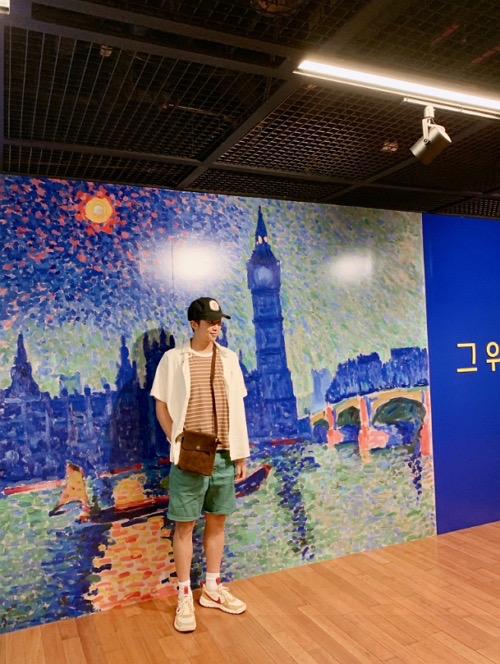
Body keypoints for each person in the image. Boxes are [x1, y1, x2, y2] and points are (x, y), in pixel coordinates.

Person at [151, 296, 250, 632]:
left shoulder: (229, 359)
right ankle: (183, 594)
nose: (215, 327)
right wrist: (176, 441)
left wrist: (240, 452)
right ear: (194, 324)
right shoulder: (173, 359)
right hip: (191, 453)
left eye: (218, 322)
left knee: (217, 520)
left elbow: (237, 408)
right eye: (209, 322)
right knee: (185, 525)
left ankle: (212, 588)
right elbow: (161, 405)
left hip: (224, 453)